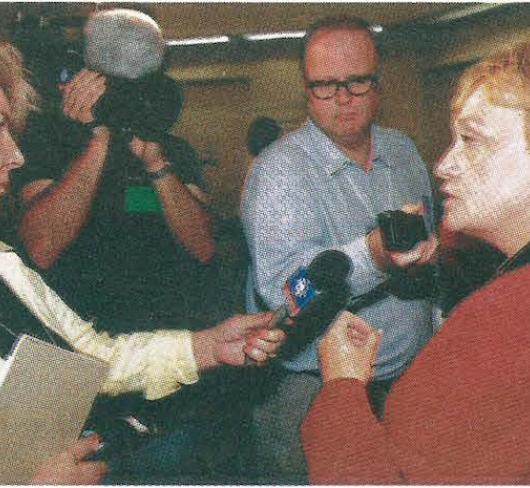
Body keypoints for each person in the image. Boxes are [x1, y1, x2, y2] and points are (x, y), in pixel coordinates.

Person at [0, 40, 285, 483]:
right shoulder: (54, 144)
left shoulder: (168, 151)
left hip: (151, 377)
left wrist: (157, 165)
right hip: (80, 397)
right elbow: (43, 245)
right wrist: (98, 139)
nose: (12, 155)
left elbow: (204, 246)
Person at [302, 41, 530, 484]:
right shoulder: (280, 171)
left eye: (472, 140)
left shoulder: (505, 318)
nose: (445, 166)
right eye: (327, 86)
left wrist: (343, 391)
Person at [241, 15, 437, 481]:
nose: (343, 98)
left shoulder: (404, 151)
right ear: (306, 91)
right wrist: (372, 254)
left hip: (409, 379)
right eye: (326, 86)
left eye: (357, 82)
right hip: (314, 391)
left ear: (379, 83)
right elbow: (288, 292)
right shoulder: (279, 175)